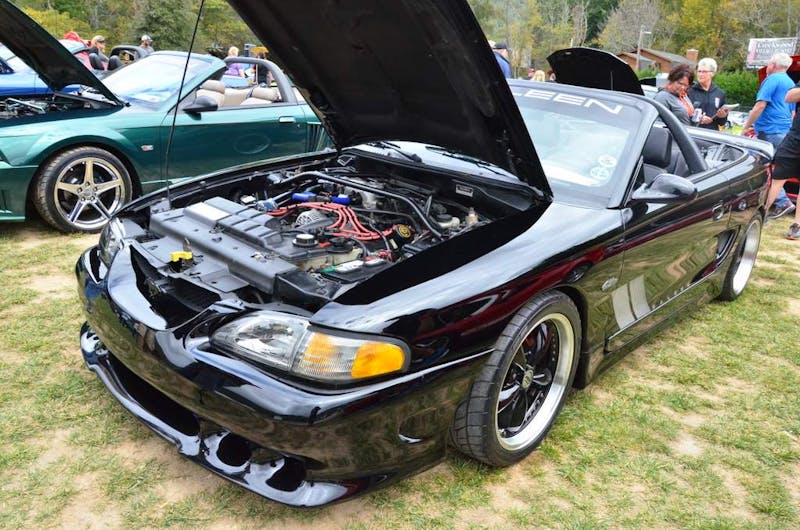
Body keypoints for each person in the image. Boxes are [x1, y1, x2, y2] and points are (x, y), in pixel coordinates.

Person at [741, 52, 796, 219]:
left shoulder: (771, 80)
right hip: (785, 131)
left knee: (755, 165)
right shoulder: (791, 83)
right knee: (776, 169)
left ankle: (781, 202)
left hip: (769, 131)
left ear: (772, 65)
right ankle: (781, 202)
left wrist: (746, 127)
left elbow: (760, 106)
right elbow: (792, 112)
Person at [765, 82, 800, 239]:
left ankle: (797, 226)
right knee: (777, 177)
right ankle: (761, 213)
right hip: (795, 138)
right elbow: (789, 97)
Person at [688, 57, 728, 130]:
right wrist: (698, 117)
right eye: (699, 71)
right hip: (693, 133)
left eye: (704, 72)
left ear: (712, 73)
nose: (700, 74)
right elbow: (682, 114)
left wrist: (722, 116)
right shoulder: (689, 91)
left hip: (712, 135)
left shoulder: (720, 93)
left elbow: (722, 123)